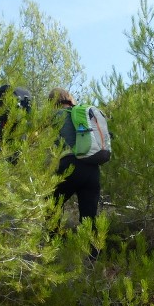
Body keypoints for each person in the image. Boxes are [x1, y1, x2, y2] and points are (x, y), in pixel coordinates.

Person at [50, 88, 101, 227]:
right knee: (89, 220)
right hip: (92, 168)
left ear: (52, 102)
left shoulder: (55, 114)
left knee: (51, 205)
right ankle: (93, 249)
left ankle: (54, 244)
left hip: (70, 165)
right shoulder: (82, 115)